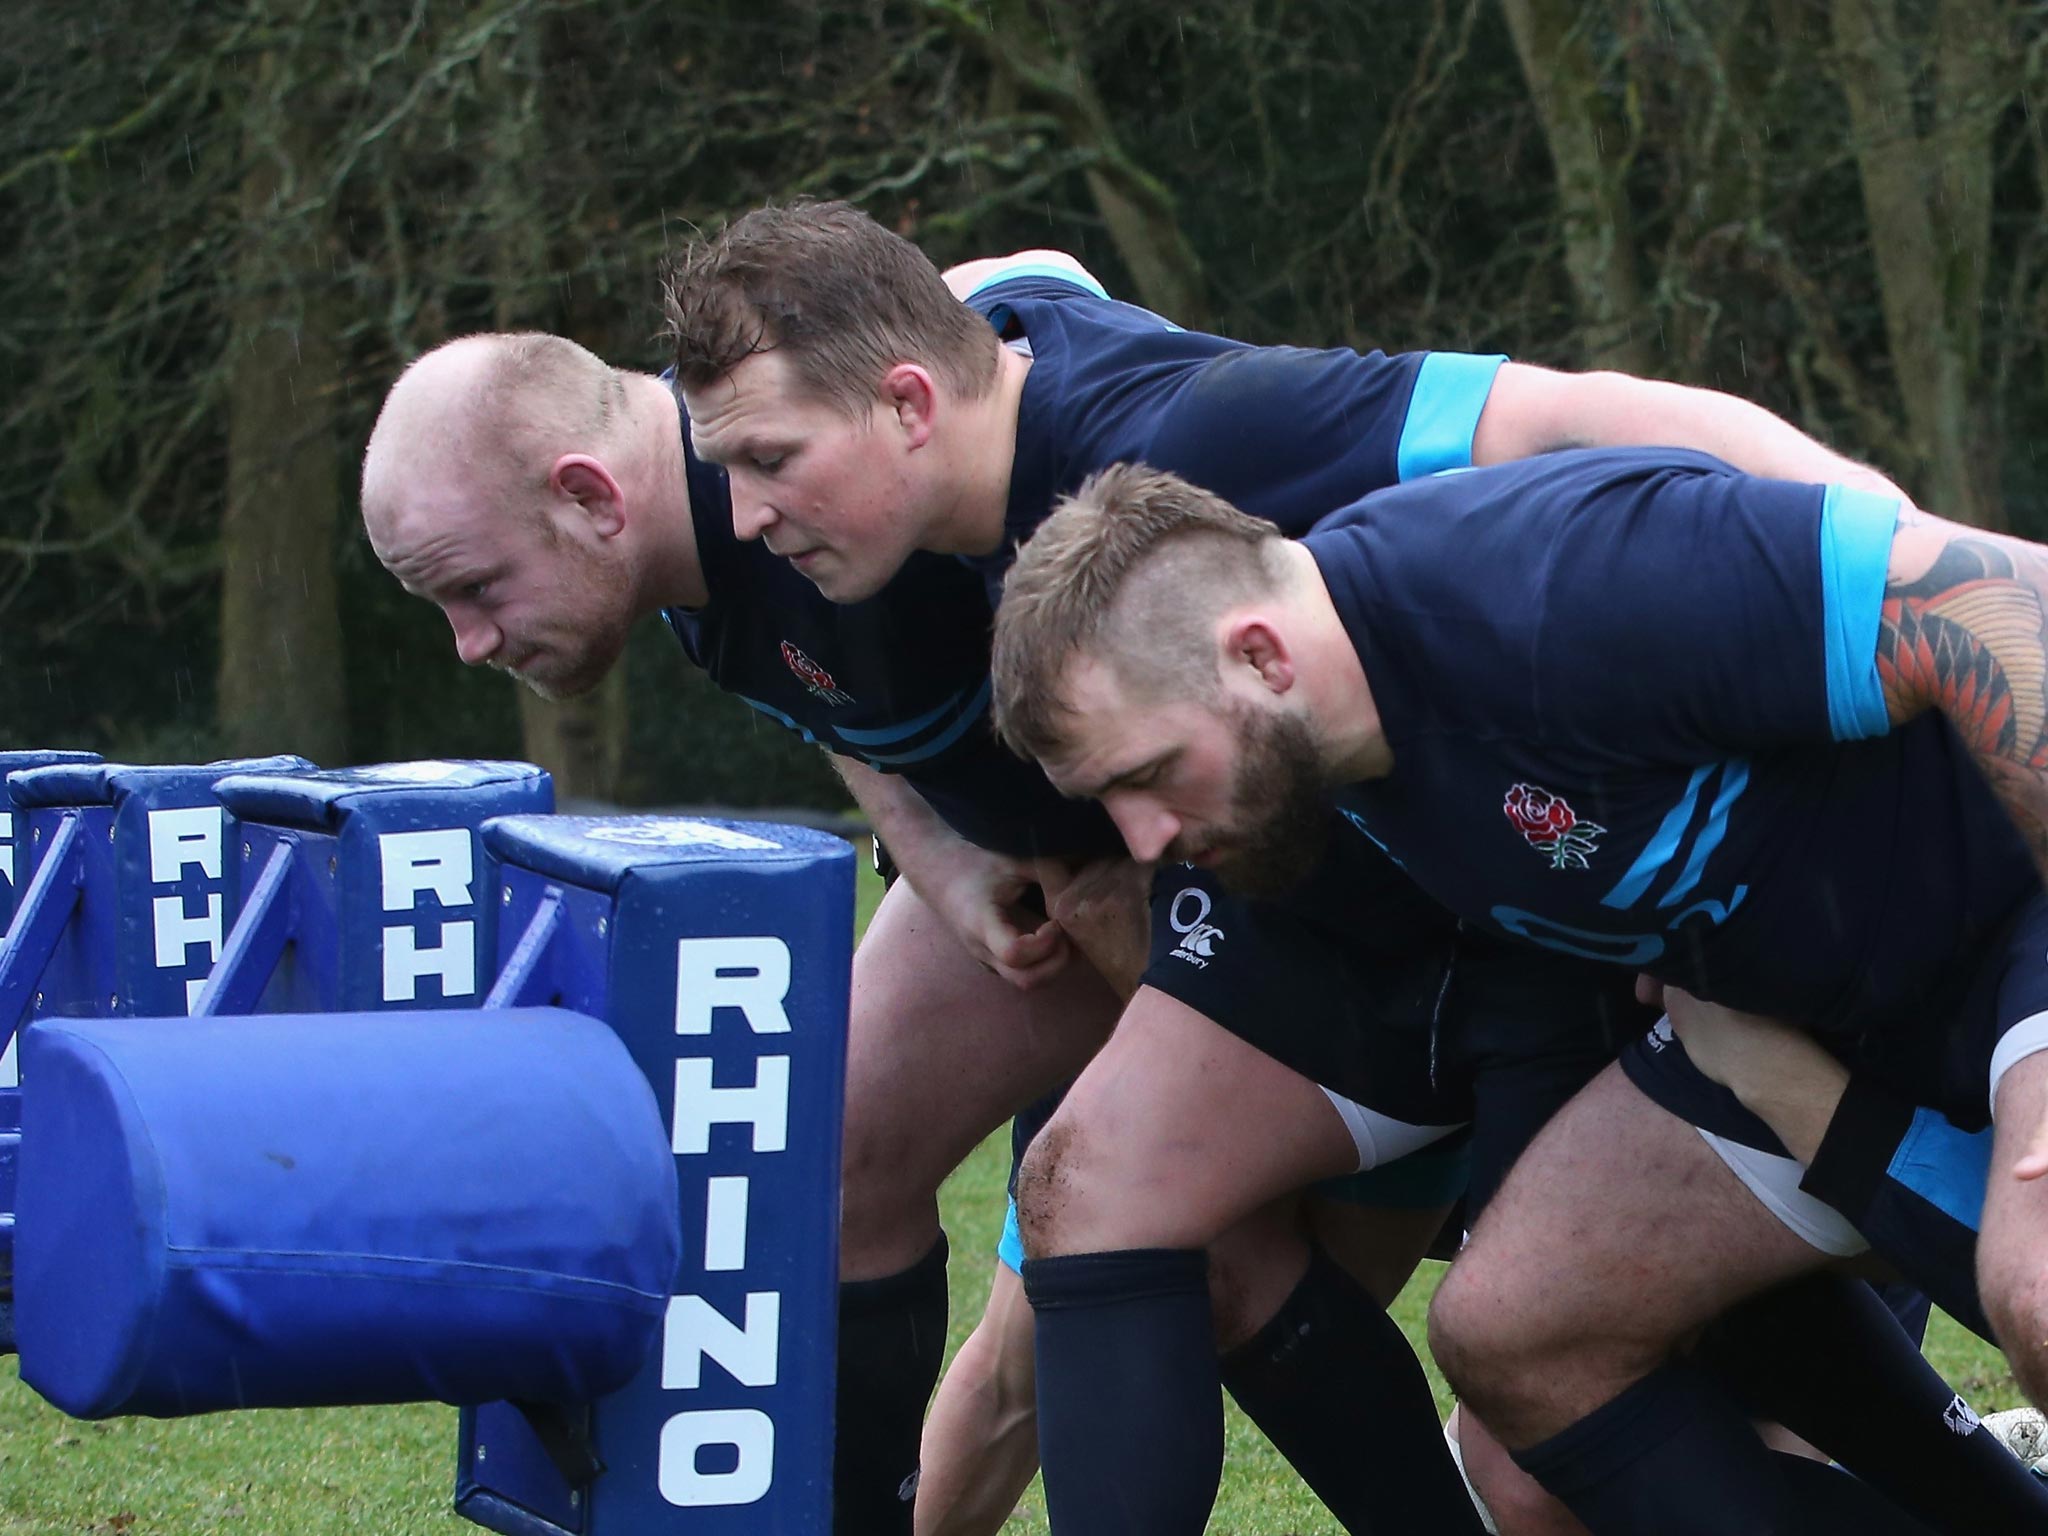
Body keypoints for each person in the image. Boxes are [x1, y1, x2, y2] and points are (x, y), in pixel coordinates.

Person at [661, 201, 2021, 1533]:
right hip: (1569, 953)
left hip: (1811, 941)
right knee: (1204, 1225)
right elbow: (1025, 270)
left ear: (907, 403)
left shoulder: (1317, 489)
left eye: (771, 459)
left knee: (1731, 1363)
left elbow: (1592, 428)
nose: (746, 512)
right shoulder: (978, 576)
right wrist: (938, 853)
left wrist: (1857, 538)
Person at [359, 327, 1491, 1536]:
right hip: (1078, 891)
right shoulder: (699, 557)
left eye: (475, 589)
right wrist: (938, 851)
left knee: (1206, 1254)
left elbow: (1041, 328)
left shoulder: (839, 462)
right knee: (833, 1167)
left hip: (1339, 895)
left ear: (589, 496)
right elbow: (835, 703)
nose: (469, 644)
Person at [985, 452, 2048, 1533]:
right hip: (1785, 1014)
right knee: (1517, 1329)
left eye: (1147, 775)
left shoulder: (1554, 582)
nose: (1144, 839)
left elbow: (2005, 599)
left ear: (1257, 656)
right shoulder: (1318, 761)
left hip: (2011, 922)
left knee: (2038, 1281)